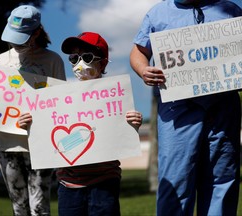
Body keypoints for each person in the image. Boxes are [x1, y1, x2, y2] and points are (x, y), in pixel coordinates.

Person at [130, 0, 242, 216]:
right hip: (176, 111)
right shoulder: (158, 14)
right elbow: (138, 52)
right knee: (175, 179)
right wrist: (144, 70)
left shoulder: (230, 10)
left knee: (222, 179)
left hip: (223, 108)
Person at [18, 32, 143, 216]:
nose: (79, 64)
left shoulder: (115, 97)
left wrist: (133, 121)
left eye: (86, 57)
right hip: (69, 185)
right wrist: (29, 124)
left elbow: (122, 132)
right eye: (74, 58)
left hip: (105, 182)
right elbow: (47, 133)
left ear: (102, 61)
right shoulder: (57, 97)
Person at [0, 5, 66, 216]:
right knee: (18, 207)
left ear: (36, 32)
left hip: (40, 146)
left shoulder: (52, 60)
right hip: (6, 146)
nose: (16, 44)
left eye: (22, 38)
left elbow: (62, 104)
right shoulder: (1, 60)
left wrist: (38, 118)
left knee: (39, 207)